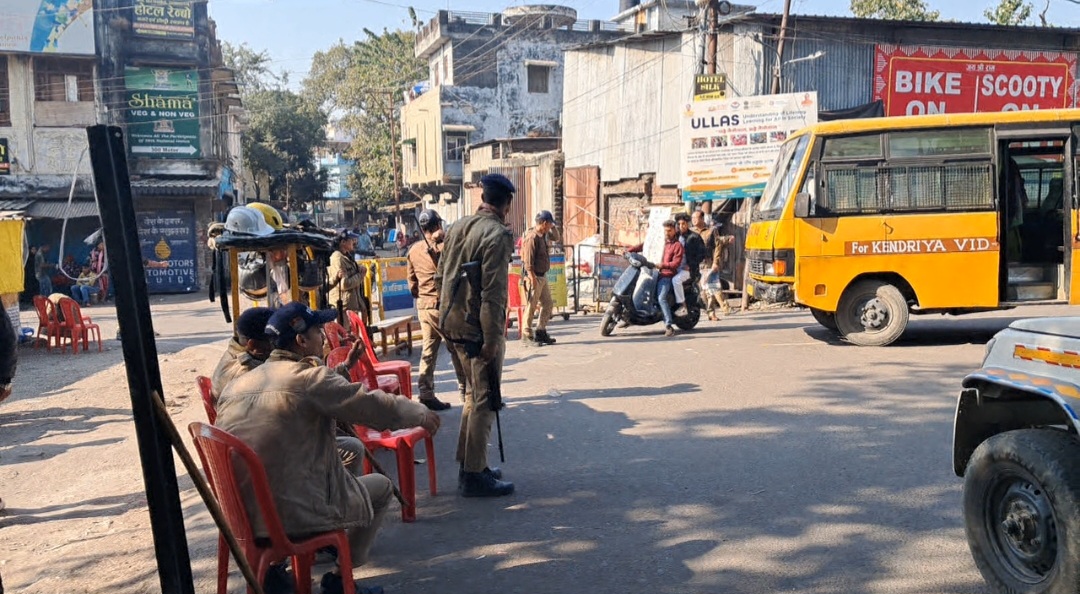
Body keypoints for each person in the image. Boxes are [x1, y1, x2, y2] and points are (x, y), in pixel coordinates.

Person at [215, 302, 440, 594]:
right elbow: (373, 407)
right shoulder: (308, 378)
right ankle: (340, 578)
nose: (323, 337)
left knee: (346, 453)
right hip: (291, 515)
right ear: (301, 340)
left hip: (242, 514)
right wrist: (422, 414)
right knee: (381, 487)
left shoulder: (238, 383)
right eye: (318, 331)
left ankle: (285, 567)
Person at [437, 173, 516, 498]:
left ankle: (470, 462)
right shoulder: (496, 234)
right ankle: (474, 475)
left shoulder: (457, 226)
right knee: (484, 398)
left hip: (450, 322)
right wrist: (492, 339)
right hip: (475, 329)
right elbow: (493, 294)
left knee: (470, 396)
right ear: (506, 204)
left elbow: (442, 273)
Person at [406, 209, 462, 412]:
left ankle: (426, 393)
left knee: (428, 351)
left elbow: (412, 284)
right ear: (437, 225)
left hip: (423, 306)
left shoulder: (413, 250)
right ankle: (466, 390)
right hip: (440, 307)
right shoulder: (445, 247)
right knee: (456, 348)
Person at [209, 306, 276, 405]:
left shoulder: (235, 351)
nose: (279, 345)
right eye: (274, 342)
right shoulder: (247, 374)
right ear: (253, 345)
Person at [520, 210, 557, 346]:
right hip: (533, 277)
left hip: (542, 276)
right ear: (544, 223)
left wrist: (553, 227)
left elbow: (557, 237)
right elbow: (528, 262)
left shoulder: (543, 235)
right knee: (531, 305)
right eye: (549, 224)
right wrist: (532, 279)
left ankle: (540, 331)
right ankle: (526, 334)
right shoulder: (532, 237)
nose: (550, 227)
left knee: (548, 304)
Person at [328, 230, 370, 325]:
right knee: (346, 334)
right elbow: (344, 284)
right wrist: (360, 276)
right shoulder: (338, 258)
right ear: (343, 242)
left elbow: (351, 270)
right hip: (343, 307)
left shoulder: (346, 256)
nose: (354, 242)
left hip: (350, 306)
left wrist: (360, 269)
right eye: (351, 240)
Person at [657, 220, 685, 337]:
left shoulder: (677, 246)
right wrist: (630, 250)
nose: (667, 233)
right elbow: (645, 245)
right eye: (665, 231)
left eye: (669, 230)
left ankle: (669, 326)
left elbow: (675, 264)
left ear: (674, 230)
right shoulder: (660, 243)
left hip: (667, 275)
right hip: (654, 273)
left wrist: (662, 265)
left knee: (661, 298)